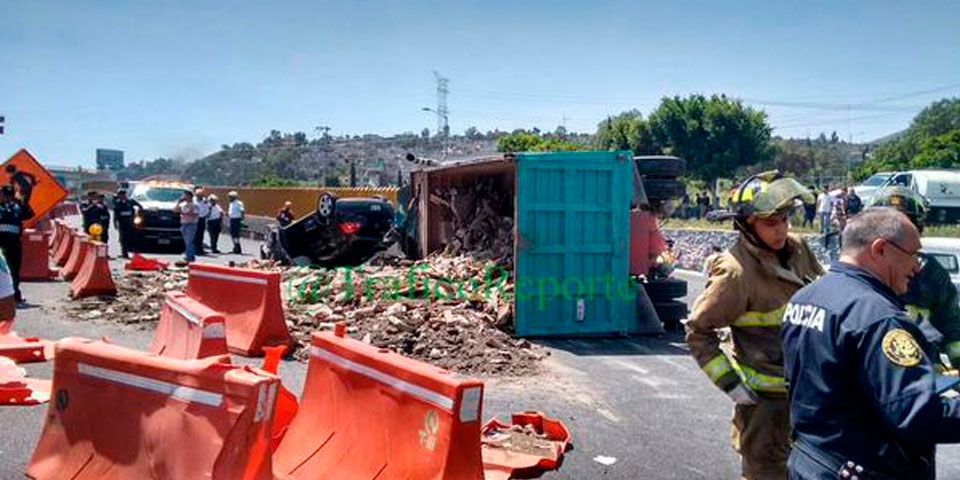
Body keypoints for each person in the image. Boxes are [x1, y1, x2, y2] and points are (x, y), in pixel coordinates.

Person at [782, 207, 960, 479]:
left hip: (812, 461)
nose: (917, 266)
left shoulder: (805, 297)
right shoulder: (879, 318)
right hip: (862, 467)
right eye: (913, 254)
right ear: (880, 249)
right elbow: (917, 414)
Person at [688, 171, 824, 479]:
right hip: (766, 406)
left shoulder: (799, 249)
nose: (782, 230)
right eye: (771, 223)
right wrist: (733, 386)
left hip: (811, 395)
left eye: (785, 219)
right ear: (747, 224)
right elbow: (698, 332)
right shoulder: (735, 272)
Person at [867, 186, 960, 368]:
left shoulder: (931, 272)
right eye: (887, 226)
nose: (896, 235)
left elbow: (951, 325)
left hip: (924, 372)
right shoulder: (859, 274)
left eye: (904, 226)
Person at [0, 186, 33, 304]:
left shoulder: (17, 207)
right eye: (5, 195)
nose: (6, 197)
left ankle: (14, 295)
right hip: (2, 243)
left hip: (14, 244)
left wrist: (23, 202)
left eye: (9, 195)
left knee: (14, 271)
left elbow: (29, 214)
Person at [112, 188, 141, 258]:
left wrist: (138, 215)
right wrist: (115, 223)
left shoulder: (130, 201)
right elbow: (115, 214)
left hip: (130, 223)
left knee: (131, 238)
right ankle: (124, 253)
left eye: (123, 194)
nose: (121, 196)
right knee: (122, 239)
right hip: (122, 224)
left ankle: (132, 252)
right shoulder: (118, 203)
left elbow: (139, 206)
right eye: (120, 195)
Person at [173, 190, 199, 263]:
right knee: (186, 241)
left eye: (186, 195)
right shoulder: (182, 204)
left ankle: (189, 256)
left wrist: (187, 211)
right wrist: (178, 202)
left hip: (191, 225)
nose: (184, 197)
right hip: (184, 224)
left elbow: (195, 214)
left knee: (189, 241)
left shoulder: (195, 205)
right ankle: (190, 255)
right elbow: (175, 210)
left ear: (190, 196)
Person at [193, 187, 209, 256]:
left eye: (201, 196)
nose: (200, 197)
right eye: (198, 195)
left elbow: (207, 210)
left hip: (202, 219)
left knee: (200, 235)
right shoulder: (193, 200)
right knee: (194, 235)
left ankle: (199, 249)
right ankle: (194, 249)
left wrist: (205, 215)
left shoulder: (205, 201)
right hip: (194, 218)